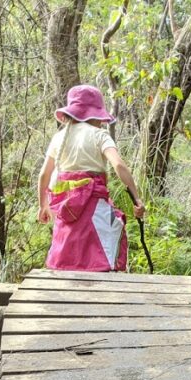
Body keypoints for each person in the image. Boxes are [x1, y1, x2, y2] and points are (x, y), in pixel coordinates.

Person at [38, 84, 146, 272]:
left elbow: (44, 175)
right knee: (112, 231)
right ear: (94, 114)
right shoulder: (99, 135)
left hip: (66, 205)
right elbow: (119, 165)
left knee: (68, 248)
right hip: (93, 205)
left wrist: (43, 205)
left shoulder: (59, 137)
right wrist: (137, 198)